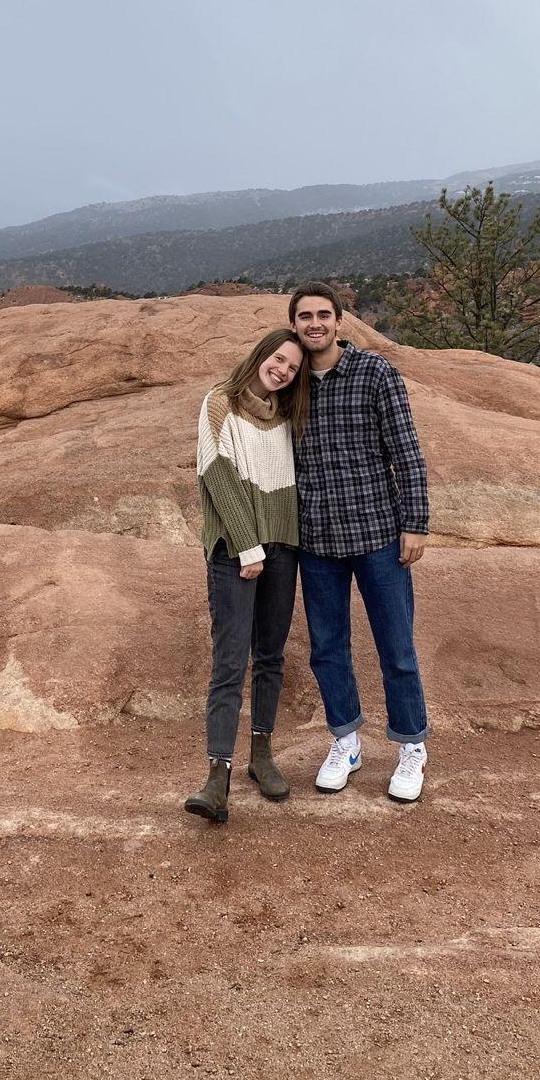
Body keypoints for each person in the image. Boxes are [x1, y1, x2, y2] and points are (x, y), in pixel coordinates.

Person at [288, 281, 432, 803]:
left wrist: (414, 523)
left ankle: (411, 747)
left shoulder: (375, 374)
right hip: (317, 540)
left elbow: (407, 452)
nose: (314, 324)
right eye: (305, 316)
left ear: (340, 320)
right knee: (328, 649)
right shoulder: (291, 383)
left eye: (323, 314)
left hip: (377, 536)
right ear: (296, 324)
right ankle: (345, 740)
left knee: (396, 646)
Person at [184, 328, 309, 826]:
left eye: (292, 368)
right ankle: (218, 777)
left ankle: (261, 754)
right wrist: (246, 545)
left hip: (283, 548)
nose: (282, 370)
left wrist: (275, 546)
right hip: (235, 551)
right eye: (278, 359)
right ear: (260, 355)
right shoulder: (220, 403)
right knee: (231, 659)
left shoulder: (287, 416)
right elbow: (216, 474)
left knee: (272, 654)